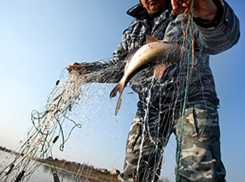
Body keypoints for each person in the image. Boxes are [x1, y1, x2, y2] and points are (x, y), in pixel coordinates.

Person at [67, 0, 240, 181]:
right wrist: (87, 71)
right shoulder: (134, 28)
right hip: (149, 107)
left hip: (193, 100)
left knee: (201, 175)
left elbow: (223, 39)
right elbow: (120, 67)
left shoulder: (186, 7)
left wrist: (209, 13)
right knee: (134, 176)